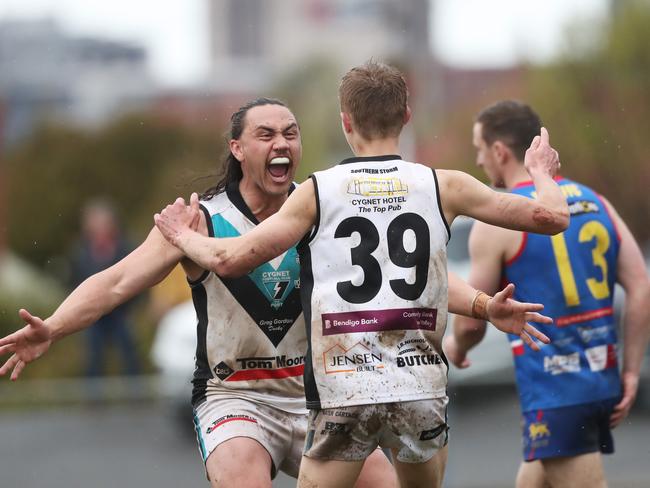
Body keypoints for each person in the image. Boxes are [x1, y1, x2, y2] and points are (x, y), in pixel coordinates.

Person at [0, 97, 543, 488]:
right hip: (236, 396)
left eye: (290, 132)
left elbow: (411, 279)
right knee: (240, 471)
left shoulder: (324, 206)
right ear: (237, 149)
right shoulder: (200, 222)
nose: (282, 143)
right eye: (266, 135)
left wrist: (483, 306)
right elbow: (116, 280)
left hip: (323, 398)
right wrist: (55, 326)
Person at [152, 61, 569, 488]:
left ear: (345, 121)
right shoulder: (444, 185)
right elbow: (553, 217)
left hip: (347, 390)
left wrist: (184, 237)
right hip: (418, 386)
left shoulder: (320, 191)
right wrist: (539, 173)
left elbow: (230, 259)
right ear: (407, 115)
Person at [444, 100, 650, 488]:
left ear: (500, 151)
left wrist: (457, 347)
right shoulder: (596, 202)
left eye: (479, 149)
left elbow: (472, 323)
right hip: (600, 377)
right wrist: (631, 370)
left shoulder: (498, 222)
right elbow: (640, 287)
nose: (479, 161)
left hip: (556, 391)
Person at [71, 199, 140, 377]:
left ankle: (136, 396)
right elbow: (75, 282)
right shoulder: (81, 253)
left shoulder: (125, 248)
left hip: (120, 312)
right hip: (93, 316)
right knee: (93, 356)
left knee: (129, 351)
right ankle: (94, 399)